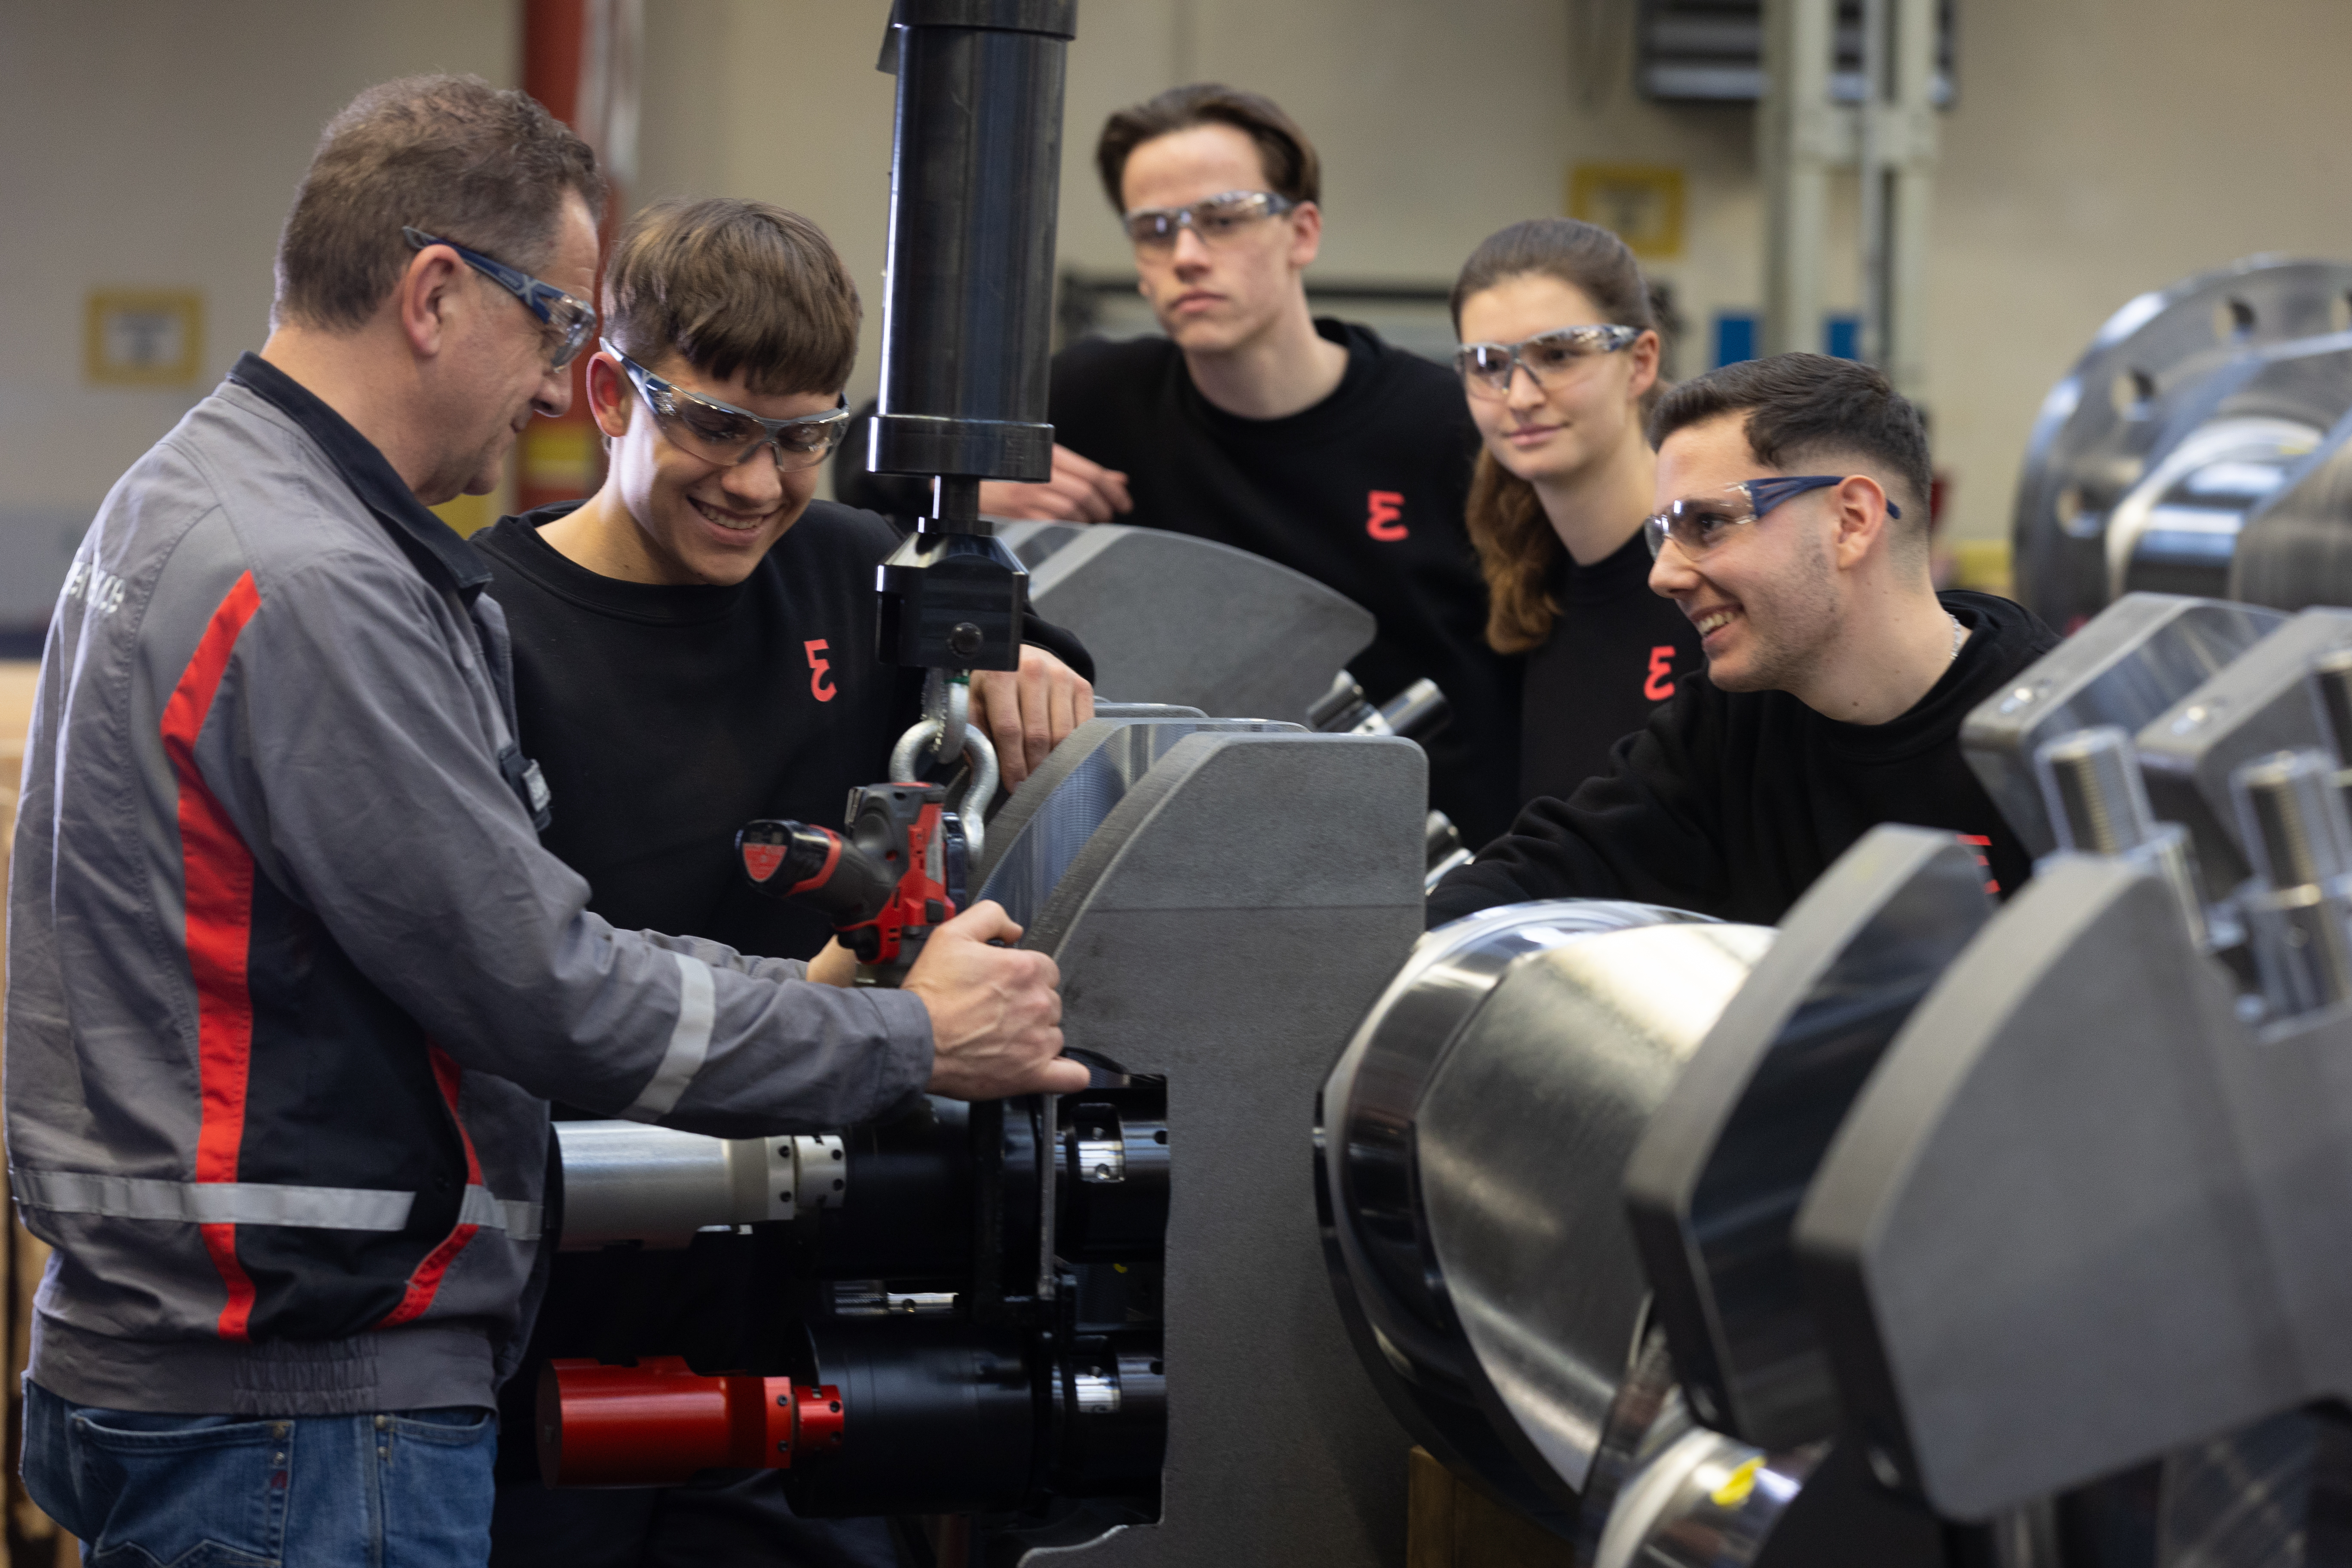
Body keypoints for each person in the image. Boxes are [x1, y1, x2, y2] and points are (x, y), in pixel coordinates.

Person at [4, 76, 1081, 1568]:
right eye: (558, 329)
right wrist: (908, 1038)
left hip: (211, 1358)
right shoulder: (317, 582)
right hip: (300, 1397)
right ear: (438, 293)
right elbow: (545, 986)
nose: (548, 385)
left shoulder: (193, 493)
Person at [473, 195, 1096, 1567]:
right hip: (554, 1322)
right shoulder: (480, 628)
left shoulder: (857, 573)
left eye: (803, 437)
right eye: (712, 424)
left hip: (813, 1318)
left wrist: (1023, 660)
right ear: (605, 390)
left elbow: (1037, 665)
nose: (756, 482)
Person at [837, 83, 1522, 846]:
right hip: (1177, 848)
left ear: (1302, 231)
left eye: (1223, 220)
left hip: (1424, 858)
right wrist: (958, 477)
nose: (1188, 255)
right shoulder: (1104, 396)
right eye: (1156, 230)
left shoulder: (1446, 427)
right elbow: (864, 445)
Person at [1427, 352, 2061, 928]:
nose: (1664, 575)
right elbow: (1542, 873)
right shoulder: (1731, 724)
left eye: (1708, 523)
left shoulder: (2057, 740)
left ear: (1851, 521)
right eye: (1663, 535)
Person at [1450, 218, 1703, 805]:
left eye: (1559, 355)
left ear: (1640, 363)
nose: (1520, 396)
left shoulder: (1710, 578)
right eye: (1489, 364)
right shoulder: (1527, 590)